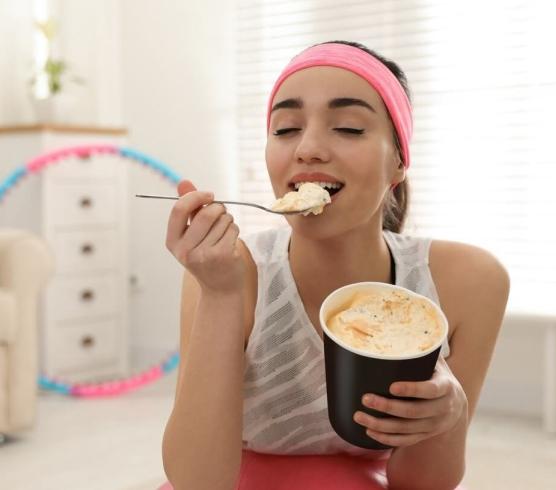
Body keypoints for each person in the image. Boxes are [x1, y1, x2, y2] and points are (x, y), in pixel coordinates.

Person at [161, 40, 510, 490]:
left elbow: (421, 486)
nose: (307, 148)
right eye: (285, 129)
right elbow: (197, 483)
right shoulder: (230, 272)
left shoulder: (469, 282)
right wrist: (220, 294)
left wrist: (451, 414)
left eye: (347, 127)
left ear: (399, 162)